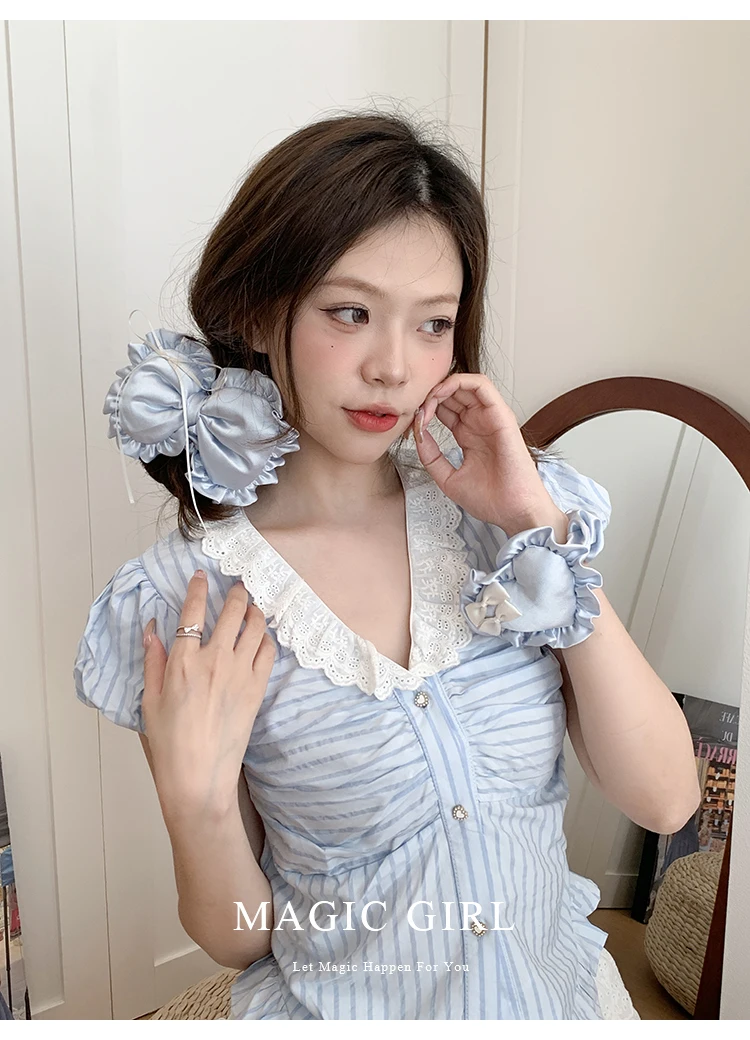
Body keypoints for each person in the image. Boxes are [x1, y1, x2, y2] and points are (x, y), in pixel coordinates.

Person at [74, 109, 700, 1020]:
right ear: (258, 312)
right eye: (351, 312)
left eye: (433, 323)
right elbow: (243, 937)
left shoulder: (510, 531)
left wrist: (535, 527)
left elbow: (668, 799)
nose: (394, 368)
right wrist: (195, 800)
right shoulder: (185, 604)